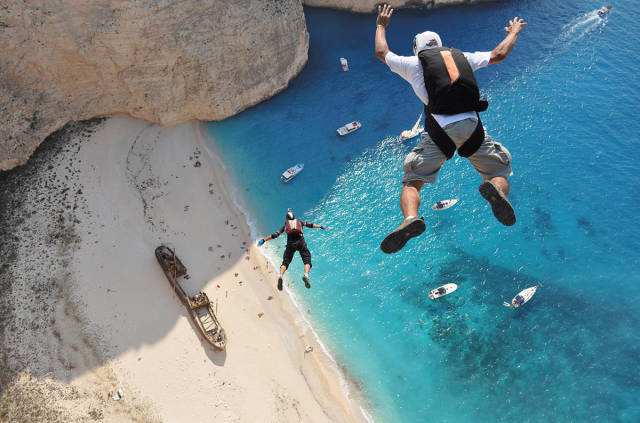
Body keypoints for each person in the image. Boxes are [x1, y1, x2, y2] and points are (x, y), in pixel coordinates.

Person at [374, 4, 527, 254]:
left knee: (413, 181)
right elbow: (499, 54)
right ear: (440, 44)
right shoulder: (463, 57)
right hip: (471, 127)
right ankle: (497, 191)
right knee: (497, 170)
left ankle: (410, 219)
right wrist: (514, 33)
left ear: (418, 49)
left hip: (439, 133)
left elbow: (382, 52)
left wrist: (381, 25)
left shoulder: (413, 64)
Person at [257, 210, 330, 291]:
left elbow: (275, 235)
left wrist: (263, 240)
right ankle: (306, 276)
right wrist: (321, 227)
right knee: (307, 261)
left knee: (285, 263)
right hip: (301, 243)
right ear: (294, 217)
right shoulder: (300, 222)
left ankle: (280, 276)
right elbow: (311, 225)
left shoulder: (285, 226)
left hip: (290, 245)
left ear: (287, 218)